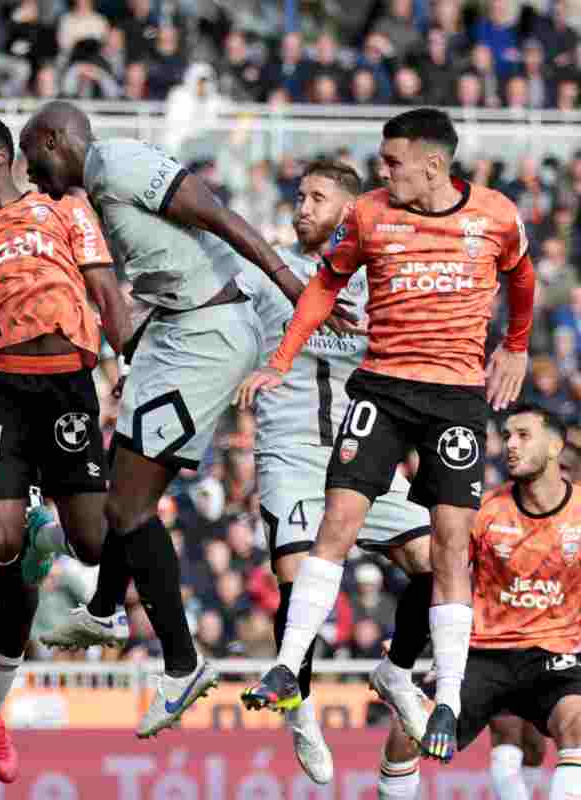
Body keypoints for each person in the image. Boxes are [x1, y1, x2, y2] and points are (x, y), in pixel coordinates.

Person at [17, 100, 347, 737]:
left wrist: (290, 286)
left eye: (36, 159)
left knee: (132, 508)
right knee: (122, 482)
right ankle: (110, 608)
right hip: (175, 334)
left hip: (205, 337)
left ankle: (182, 662)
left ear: (57, 139)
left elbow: (218, 216)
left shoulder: (116, 163)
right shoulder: (95, 191)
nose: (35, 175)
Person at [235, 108, 534, 762]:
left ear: (433, 162)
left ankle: (417, 680)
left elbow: (522, 275)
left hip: (451, 398)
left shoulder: (493, 217)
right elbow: (317, 287)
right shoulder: (346, 233)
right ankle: (292, 688)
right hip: (336, 422)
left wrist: (516, 344)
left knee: (448, 552)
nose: (382, 171)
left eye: (391, 160)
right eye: (302, 197)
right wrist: (277, 359)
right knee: (316, 548)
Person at [0, 113, 128, 781]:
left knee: (96, 543)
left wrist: (131, 358)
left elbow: (104, 289)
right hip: (5, 393)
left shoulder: (65, 211)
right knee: (4, 544)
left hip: (70, 384)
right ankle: (10, 535)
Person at [234, 160, 436, 784]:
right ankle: (299, 707)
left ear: (349, 212)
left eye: (317, 198)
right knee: (298, 581)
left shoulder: (379, 281)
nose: (302, 207)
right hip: (291, 451)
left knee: (439, 563)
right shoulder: (264, 271)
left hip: (364, 451)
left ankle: (397, 672)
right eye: (299, 196)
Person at [375, 405, 581, 798]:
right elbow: (442, 582)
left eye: (523, 435)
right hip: (483, 657)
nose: (510, 446)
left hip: (552, 657)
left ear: (555, 447)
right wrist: (408, 643)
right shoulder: (483, 512)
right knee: (405, 732)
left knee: (578, 725)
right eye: (506, 436)